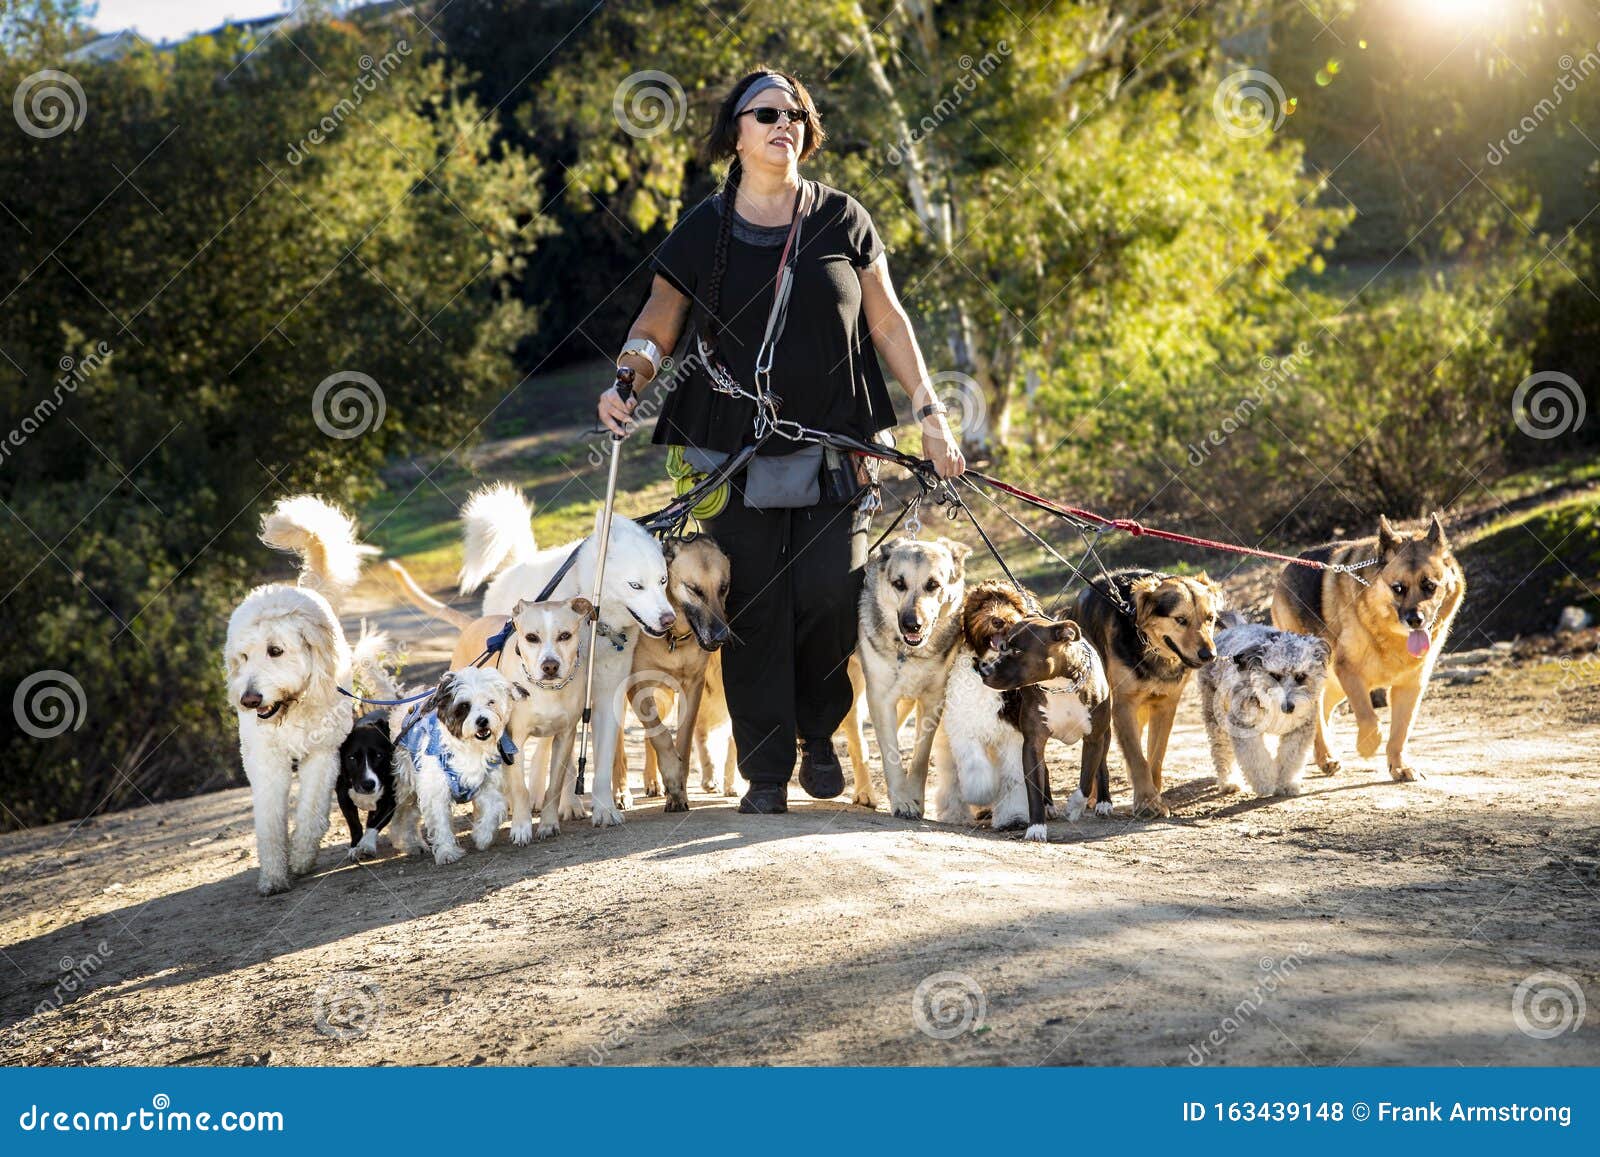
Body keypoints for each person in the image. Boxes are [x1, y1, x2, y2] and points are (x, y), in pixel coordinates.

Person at [597, 67, 964, 815]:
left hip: (836, 439)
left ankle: (816, 731)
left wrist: (931, 414)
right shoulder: (704, 226)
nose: (781, 123)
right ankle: (765, 771)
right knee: (756, 603)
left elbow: (888, 322)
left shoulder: (843, 219)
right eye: (763, 112)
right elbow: (658, 319)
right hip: (731, 449)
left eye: (794, 112)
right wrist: (628, 378)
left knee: (832, 593)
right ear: (733, 134)